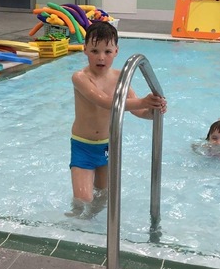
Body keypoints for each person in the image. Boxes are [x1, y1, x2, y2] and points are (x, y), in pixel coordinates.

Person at [66, 20, 167, 218]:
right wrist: (142, 101)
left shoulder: (120, 77)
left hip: (107, 145)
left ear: (116, 51)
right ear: (85, 49)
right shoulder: (80, 77)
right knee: (83, 199)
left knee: (103, 196)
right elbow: (105, 102)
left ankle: (90, 224)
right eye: (94, 51)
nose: (101, 57)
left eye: (107, 51)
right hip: (83, 145)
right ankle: (73, 225)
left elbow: (138, 111)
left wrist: (154, 111)